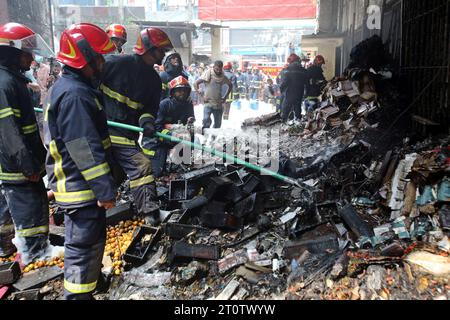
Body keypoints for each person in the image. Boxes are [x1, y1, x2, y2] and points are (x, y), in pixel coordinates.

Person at [44, 23, 117, 300]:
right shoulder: (75, 95)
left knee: (88, 248)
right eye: (99, 58)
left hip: (81, 187)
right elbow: (84, 149)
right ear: (84, 57)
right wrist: (104, 189)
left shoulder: (72, 88)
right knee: (83, 250)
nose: (102, 64)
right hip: (81, 189)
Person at [100, 27, 174, 224]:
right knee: (136, 167)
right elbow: (89, 84)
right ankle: (148, 213)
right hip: (102, 131)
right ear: (149, 48)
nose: (164, 55)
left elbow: (148, 110)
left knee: (120, 174)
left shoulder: (154, 81)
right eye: (161, 50)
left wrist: (148, 122)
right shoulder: (115, 63)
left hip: (126, 134)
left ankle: (142, 212)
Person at [0, 22, 50, 266]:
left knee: (28, 208)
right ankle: (34, 259)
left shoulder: (12, 79)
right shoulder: (3, 83)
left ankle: (30, 252)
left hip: (25, 161)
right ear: (10, 52)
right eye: (25, 52)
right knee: (27, 213)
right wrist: (27, 165)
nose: (31, 58)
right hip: (16, 167)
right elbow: (8, 131)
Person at [144, 76, 195, 177]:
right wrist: (171, 136)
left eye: (185, 91)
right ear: (172, 92)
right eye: (179, 90)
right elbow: (157, 128)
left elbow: (190, 120)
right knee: (157, 172)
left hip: (178, 138)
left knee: (184, 170)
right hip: (158, 140)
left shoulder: (188, 104)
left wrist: (190, 123)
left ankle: (182, 163)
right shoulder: (164, 105)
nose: (182, 93)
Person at [194, 60, 232, 131]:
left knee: (217, 126)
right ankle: (205, 138)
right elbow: (195, 83)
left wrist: (225, 97)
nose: (218, 71)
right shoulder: (208, 74)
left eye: (220, 69)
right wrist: (201, 96)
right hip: (208, 103)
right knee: (206, 122)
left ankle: (213, 139)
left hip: (218, 104)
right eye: (216, 69)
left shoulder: (223, 77)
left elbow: (230, 85)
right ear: (214, 67)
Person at [280, 53, 307, 123]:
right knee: (297, 110)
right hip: (299, 93)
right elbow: (306, 81)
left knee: (285, 110)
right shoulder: (303, 70)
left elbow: (285, 81)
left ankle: (283, 124)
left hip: (290, 93)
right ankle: (298, 125)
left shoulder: (288, 69)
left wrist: (281, 89)